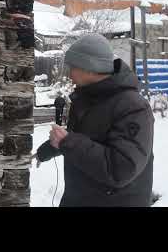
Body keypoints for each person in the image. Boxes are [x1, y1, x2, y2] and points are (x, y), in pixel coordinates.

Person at [32, 33, 154, 207]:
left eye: (73, 67)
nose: (69, 74)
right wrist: (48, 149)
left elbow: (121, 169)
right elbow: (85, 138)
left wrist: (68, 142)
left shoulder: (133, 107)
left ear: (89, 68)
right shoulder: (87, 98)